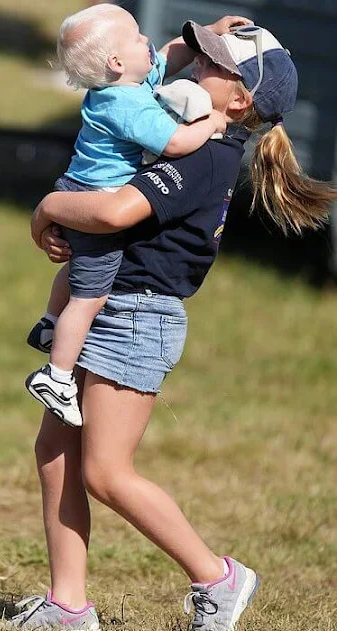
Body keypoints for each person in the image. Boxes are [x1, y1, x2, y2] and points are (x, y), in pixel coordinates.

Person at [10, 22, 337, 631]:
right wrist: (200, 37)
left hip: (138, 316)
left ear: (238, 100)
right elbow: (157, 66)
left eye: (212, 63)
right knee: (56, 453)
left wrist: (51, 208)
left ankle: (217, 577)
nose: (195, 68)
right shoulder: (175, 123)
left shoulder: (209, 152)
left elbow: (114, 211)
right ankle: (68, 604)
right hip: (102, 303)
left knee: (106, 472)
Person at [25, 4, 251, 428]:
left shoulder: (121, 84)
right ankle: (56, 376)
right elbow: (177, 144)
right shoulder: (129, 106)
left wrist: (209, 31)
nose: (147, 40)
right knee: (90, 295)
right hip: (98, 198)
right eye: (135, 37)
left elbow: (169, 53)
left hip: (76, 187)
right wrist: (212, 123)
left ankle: (50, 322)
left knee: (79, 268)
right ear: (115, 62)